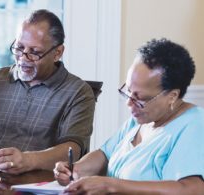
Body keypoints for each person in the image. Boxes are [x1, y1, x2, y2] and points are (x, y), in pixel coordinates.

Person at [0, 9, 96, 174]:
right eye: (19, 48)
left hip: (37, 184)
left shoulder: (78, 92)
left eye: (34, 52)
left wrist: (28, 160)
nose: (23, 58)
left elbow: (74, 150)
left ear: (57, 53)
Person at [54, 38, 204, 194]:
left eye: (140, 97)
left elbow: (192, 189)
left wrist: (110, 185)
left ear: (172, 96)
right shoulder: (140, 120)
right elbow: (105, 155)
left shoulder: (194, 125)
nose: (129, 103)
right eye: (129, 91)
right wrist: (75, 169)